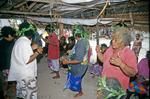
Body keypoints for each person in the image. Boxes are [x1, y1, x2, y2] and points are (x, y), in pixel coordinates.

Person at [96, 27, 138, 99]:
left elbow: (133, 73)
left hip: (118, 90)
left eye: (116, 40)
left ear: (123, 43)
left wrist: (121, 64)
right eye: (113, 39)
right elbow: (103, 60)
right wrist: (98, 52)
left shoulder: (129, 53)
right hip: (104, 84)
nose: (113, 41)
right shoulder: (110, 49)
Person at [8, 21, 43, 99]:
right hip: (26, 75)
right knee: (29, 94)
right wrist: (37, 52)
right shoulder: (24, 43)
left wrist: (31, 48)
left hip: (20, 73)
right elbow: (27, 60)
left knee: (22, 94)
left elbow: (22, 55)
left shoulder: (20, 41)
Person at [62, 33, 90, 98]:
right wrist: (71, 51)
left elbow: (78, 60)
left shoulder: (81, 44)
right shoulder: (84, 40)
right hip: (82, 63)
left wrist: (67, 62)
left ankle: (80, 92)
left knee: (76, 79)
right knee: (76, 78)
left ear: (76, 35)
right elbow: (81, 53)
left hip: (80, 65)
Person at [0, 26, 16, 99]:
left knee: (12, 81)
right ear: (9, 35)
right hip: (5, 67)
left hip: (11, 66)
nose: (14, 37)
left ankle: (12, 91)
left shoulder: (12, 41)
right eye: (13, 35)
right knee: (5, 82)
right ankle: (5, 94)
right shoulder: (2, 44)